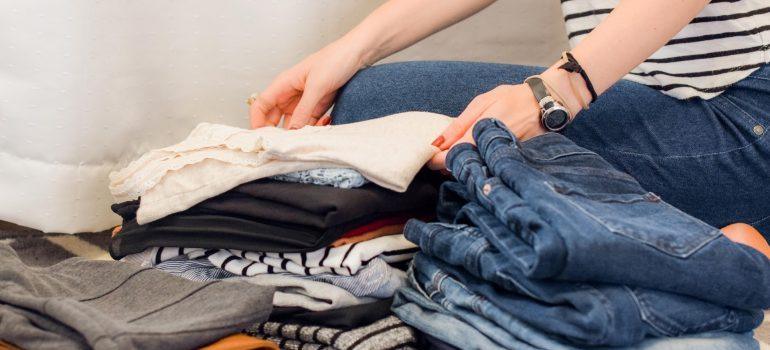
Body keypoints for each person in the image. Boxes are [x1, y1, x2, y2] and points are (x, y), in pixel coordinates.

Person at [248, 0, 770, 250]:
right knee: (363, 99)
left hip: (741, 120)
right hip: (654, 104)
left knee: (376, 106)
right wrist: (349, 51)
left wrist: (559, 91)